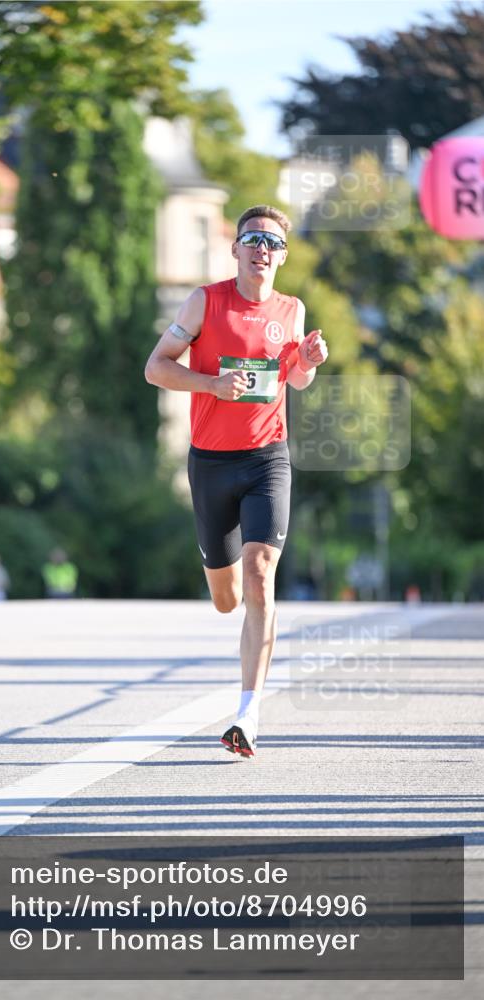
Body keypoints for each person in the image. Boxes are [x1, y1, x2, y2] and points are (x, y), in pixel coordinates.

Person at [145, 204, 328, 758]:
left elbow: (295, 379)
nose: (262, 249)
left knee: (260, 573)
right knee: (227, 598)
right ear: (236, 248)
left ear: (282, 255)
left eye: (272, 242)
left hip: (267, 459)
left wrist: (311, 359)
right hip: (210, 463)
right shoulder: (205, 300)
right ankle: (234, 617)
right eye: (252, 239)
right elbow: (156, 367)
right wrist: (212, 384)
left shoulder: (291, 311)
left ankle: (248, 714)